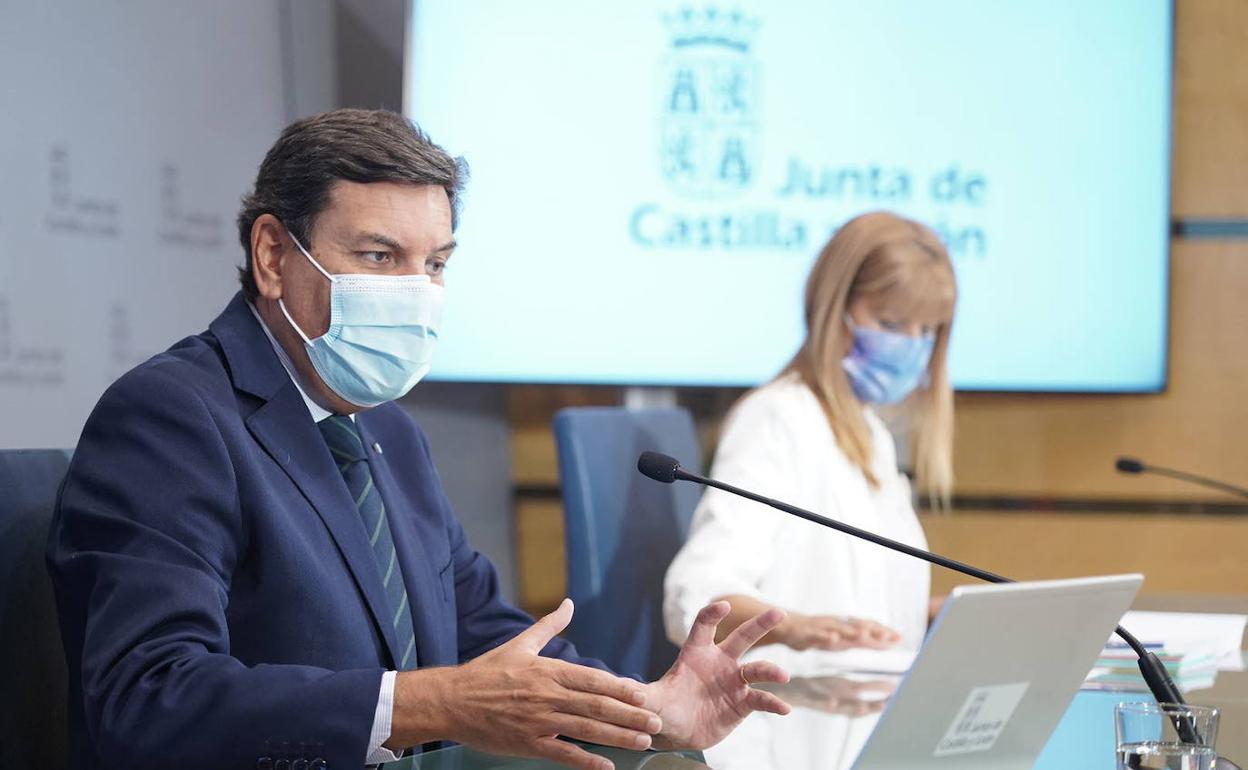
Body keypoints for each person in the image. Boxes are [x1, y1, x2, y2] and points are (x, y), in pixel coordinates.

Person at [46, 109, 791, 770]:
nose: (416, 292)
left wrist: (645, 710)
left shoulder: (389, 435)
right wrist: (431, 705)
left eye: (434, 264)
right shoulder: (171, 416)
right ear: (273, 256)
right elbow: (148, 699)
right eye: (379, 257)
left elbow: (489, 639)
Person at [664, 211, 957, 657]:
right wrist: (795, 629)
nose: (912, 346)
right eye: (893, 325)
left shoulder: (872, 437)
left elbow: (854, 599)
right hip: (784, 716)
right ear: (832, 309)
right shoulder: (774, 420)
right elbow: (699, 594)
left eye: (928, 330)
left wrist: (926, 616)